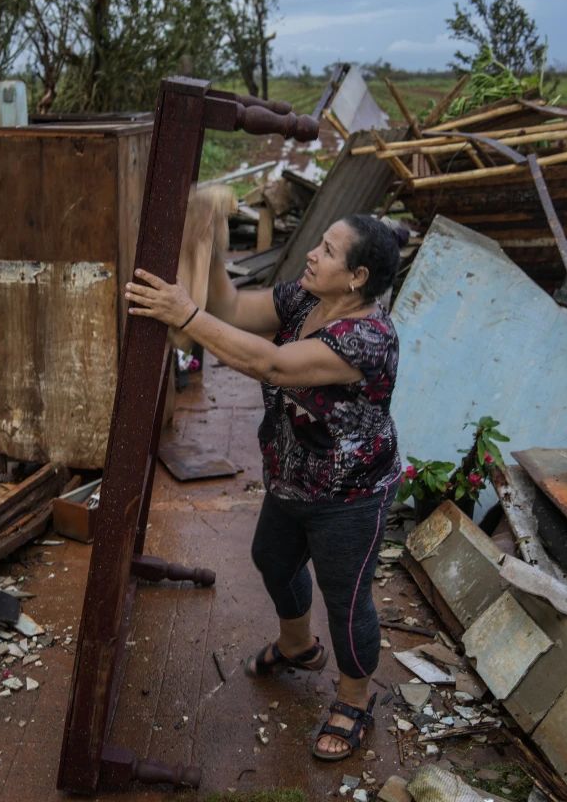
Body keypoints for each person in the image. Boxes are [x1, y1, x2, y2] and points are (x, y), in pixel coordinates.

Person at [125, 212, 402, 762]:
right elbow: (231, 310)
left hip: (351, 495)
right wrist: (212, 246)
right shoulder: (304, 301)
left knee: (347, 602)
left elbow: (273, 365)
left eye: (327, 250)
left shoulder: (367, 339)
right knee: (273, 558)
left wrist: (185, 313)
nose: (312, 254)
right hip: (292, 477)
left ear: (357, 277)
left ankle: (354, 699)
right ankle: (298, 647)